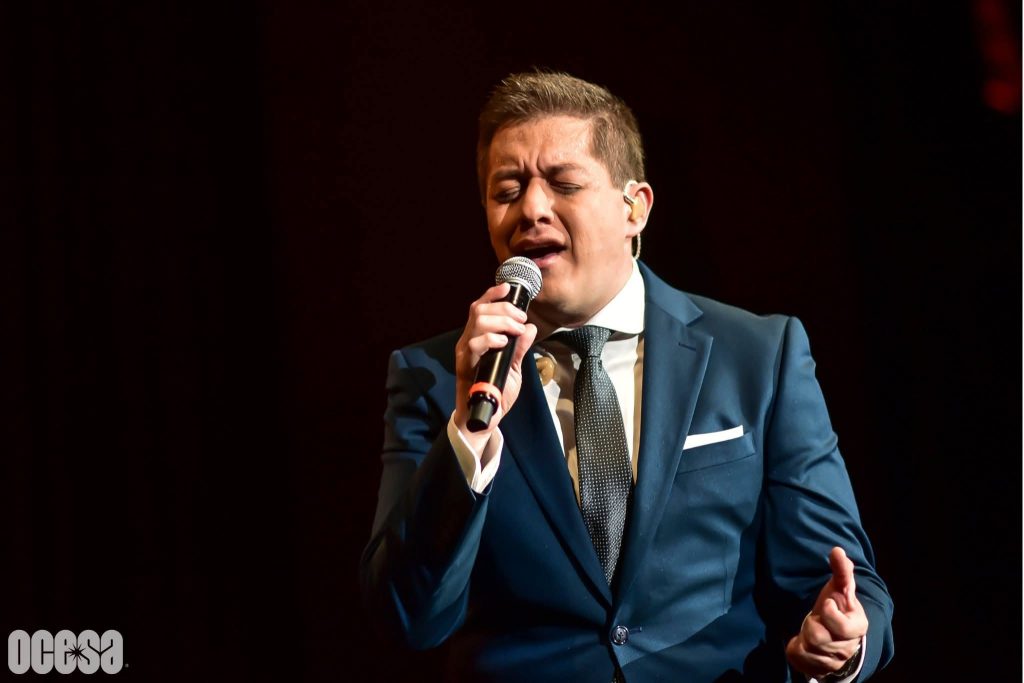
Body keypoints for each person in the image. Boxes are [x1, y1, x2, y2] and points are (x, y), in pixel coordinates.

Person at [360, 70, 894, 682]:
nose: (531, 209)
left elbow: (842, 582)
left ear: (634, 207)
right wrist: (468, 434)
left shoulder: (755, 355)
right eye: (507, 190)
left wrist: (842, 644)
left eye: (564, 184)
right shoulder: (434, 377)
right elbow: (407, 616)